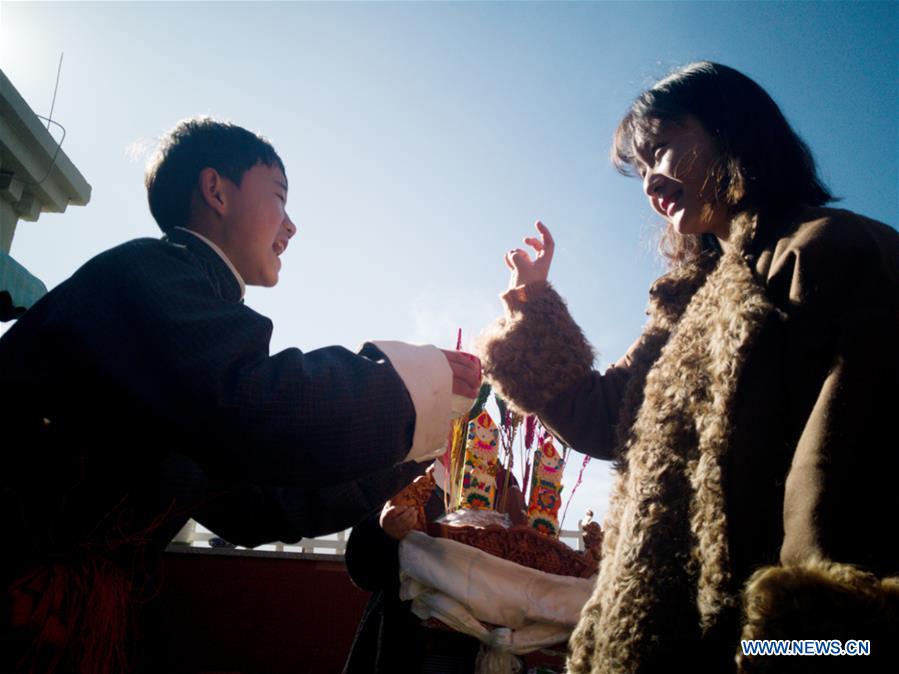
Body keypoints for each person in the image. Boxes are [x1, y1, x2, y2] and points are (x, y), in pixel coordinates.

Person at [0, 117, 481, 673]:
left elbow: (262, 506)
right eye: (279, 197)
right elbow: (254, 404)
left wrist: (416, 449)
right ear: (216, 191)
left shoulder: (189, 312)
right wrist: (411, 383)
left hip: (75, 614)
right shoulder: (148, 274)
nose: (292, 225)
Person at [475, 62, 899, 673]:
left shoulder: (834, 251)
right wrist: (534, 304)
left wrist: (803, 647)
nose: (651, 180)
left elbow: (840, 485)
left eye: (662, 148)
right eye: (640, 171)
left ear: (732, 130)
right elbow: (605, 417)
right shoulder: (684, 308)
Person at [343, 461, 526, 674]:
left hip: (484, 651)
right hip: (410, 644)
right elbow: (362, 570)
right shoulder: (402, 470)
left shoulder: (500, 480)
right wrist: (386, 531)